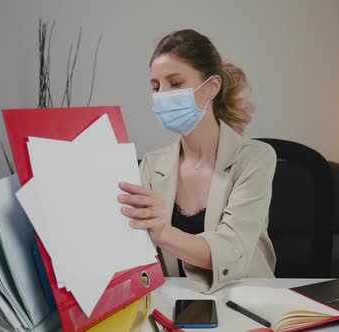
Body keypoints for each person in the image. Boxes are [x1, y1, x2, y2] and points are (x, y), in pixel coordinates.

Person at [118, 29, 276, 293]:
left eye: (175, 83)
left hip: (247, 301)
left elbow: (231, 249)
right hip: (176, 304)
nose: (163, 96)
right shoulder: (151, 165)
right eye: (156, 87)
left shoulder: (254, 158)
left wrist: (162, 232)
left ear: (212, 87)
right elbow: (141, 257)